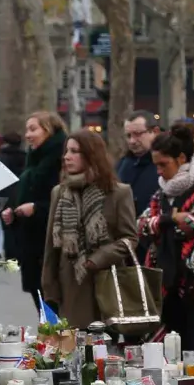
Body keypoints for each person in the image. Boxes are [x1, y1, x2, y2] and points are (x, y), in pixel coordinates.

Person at [137, 125, 194, 354]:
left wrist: (162, 224)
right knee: (168, 351)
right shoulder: (162, 192)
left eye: (163, 164)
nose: (158, 171)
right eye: (155, 165)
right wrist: (172, 219)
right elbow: (141, 226)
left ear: (181, 158)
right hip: (165, 281)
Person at [40, 131, 138, 327]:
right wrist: (49, 287)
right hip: (70, 283)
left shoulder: (118, 192)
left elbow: (129, 238)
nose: (67, 156)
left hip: (107, 282)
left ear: (91, 155)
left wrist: (99, 258)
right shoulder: (59, 192)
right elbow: (51, 246)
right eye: (66, 151)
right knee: (73, 345)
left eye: (75, 151)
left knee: (105, 348)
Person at [1, 112, 67, 304]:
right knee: (39, 299)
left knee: (53, 301)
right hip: (31, 242)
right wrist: (13, 212)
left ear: (49, 130)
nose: (28, 135)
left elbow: (65, 202)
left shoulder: (61, 159)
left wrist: (37, 208)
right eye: (27, 130)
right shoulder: (33, 158)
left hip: (50, 244)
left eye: (33, 129)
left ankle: (55, 334)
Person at [117, 111, 160, 215]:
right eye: (128, 135)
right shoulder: (122, 165)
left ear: (155, 132)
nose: (132, 141)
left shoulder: (166, 164)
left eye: (137, 134)